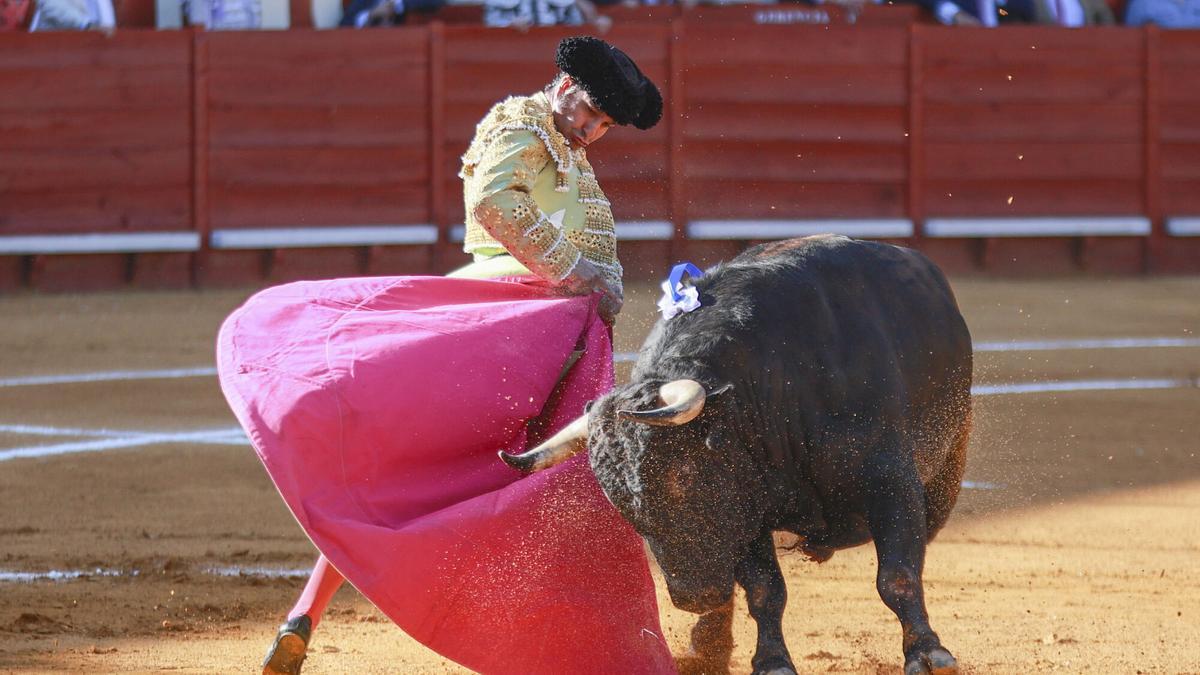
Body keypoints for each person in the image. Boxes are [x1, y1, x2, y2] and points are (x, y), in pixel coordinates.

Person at [217, 37, 672, 675]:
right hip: (499, 327)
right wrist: (579, 273)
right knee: (517, 487)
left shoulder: (569, 152)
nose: (594, 129)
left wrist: (601, 286)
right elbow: (495, 202)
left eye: (605, 123)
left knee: (425, 486)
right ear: (565, 84)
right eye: (592, 112)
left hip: (544, 342)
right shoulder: (519, 124)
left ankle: (304, 616)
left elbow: (582, 242)